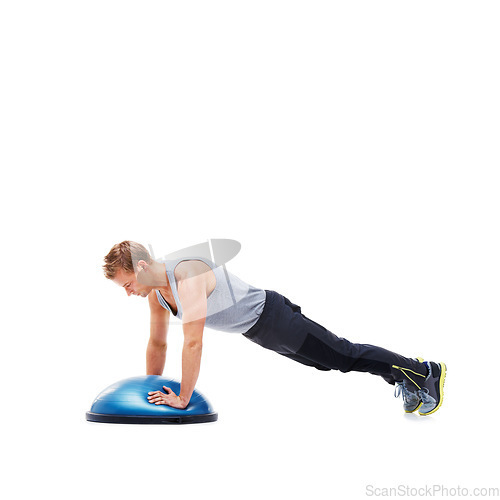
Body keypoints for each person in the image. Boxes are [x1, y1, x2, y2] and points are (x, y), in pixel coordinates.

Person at [102, 240, 447, 416]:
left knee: (343, 355)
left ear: (142, 266)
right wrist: (150, 387)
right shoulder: (157, 294)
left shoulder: (185, 275)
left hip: (273, 317)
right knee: (326, 362)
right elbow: (157, 345)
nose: (129, 292)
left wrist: (182, 398)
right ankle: (401, 374)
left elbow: (192, 343)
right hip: (258, 331)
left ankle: (422, 371)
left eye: (127, 283)